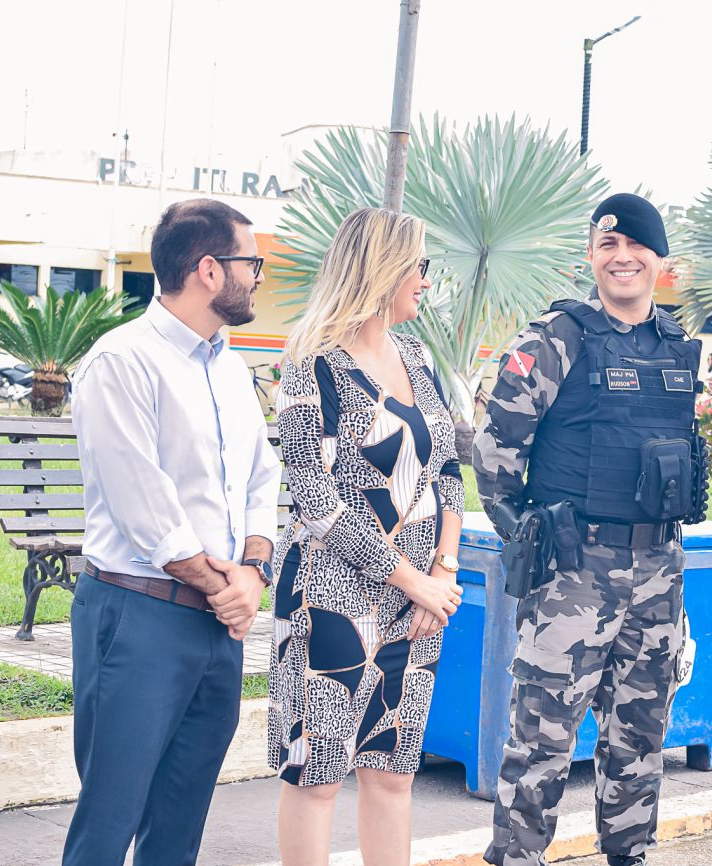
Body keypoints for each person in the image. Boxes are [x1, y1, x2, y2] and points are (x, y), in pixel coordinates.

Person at [473, 193, 705, 866]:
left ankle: (629, 855)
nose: (622, 257)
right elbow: (495, 451)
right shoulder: (555, 339)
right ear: (592, 256)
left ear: (660, 260)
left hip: (658, 570)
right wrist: (529, 538)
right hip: (573, 571)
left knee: (641, 740)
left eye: (636, 246)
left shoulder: (676, 346)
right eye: (608, 245)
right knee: (541, 741)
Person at [64, 198, 283, 865]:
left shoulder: (229, 367)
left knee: (178, 832)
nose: (260, 278)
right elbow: (145, 507)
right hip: (138, 616)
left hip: (216, 628)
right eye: (252, 263)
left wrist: (254, 572)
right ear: (210, 270)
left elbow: (261, 477)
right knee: (108, 824)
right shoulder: (121, 362)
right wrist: (230, 589)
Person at [271, 207, 465, 866]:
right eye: (420, 267)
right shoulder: (311, 361)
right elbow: (316, 497)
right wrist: (414, 582)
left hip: (418, 600)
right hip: (331, 592)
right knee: (318, 773)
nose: (427, 282)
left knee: (393, 772)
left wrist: (442, 572)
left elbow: (449, 470)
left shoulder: (416, 356)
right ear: (382, 269)